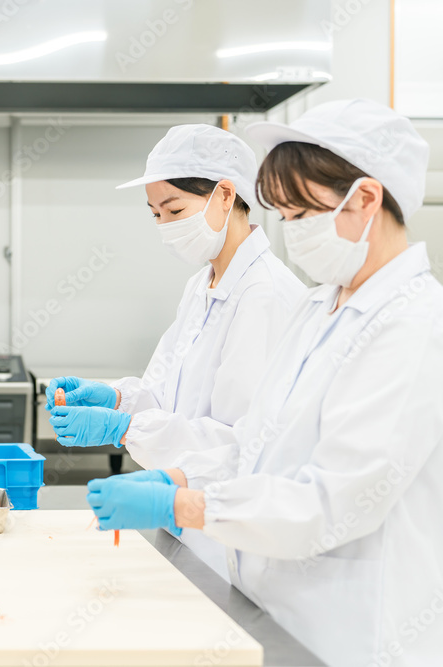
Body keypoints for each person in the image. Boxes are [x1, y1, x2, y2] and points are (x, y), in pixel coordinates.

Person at [86, 99, 442, 667]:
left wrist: (185, 503)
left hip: (356, 638)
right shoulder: (321, 308)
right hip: (279, 615)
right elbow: (255, 442)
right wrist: (179, 477)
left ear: (365, 200)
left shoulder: (414, 326)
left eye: (300, 215)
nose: (290, 234)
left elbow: (334, 501)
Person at [46, 124, 304, 577]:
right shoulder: (202, 285)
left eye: (175, 209)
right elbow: (165, 395)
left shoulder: (264, 295)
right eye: (155, 214)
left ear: (226, 195)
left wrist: (125, 428)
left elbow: (244, 445)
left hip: (229, 544)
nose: (165, 226)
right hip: (188, 533)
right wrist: (115, 400)